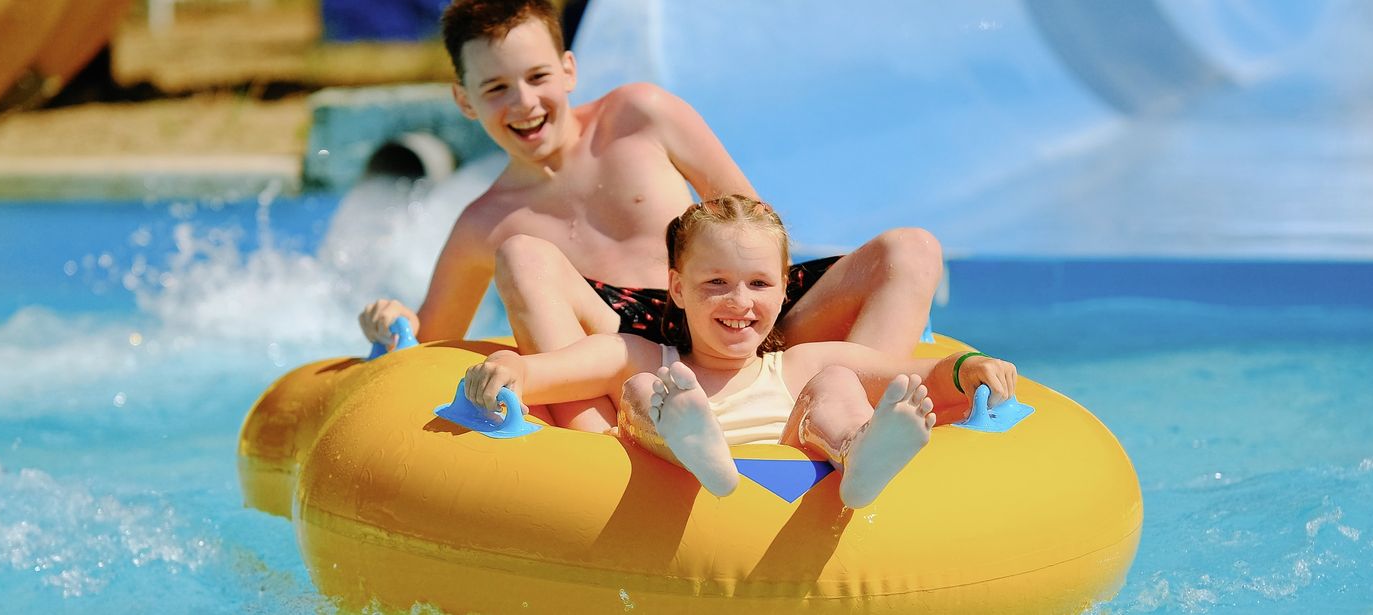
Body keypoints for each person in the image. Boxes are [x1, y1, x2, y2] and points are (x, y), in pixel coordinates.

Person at [357, 0, 944, 433]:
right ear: (464, 101)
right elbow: (435, 343)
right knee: (521, 251)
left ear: (568, 70)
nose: (525, 103)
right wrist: (393, 324)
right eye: (495, 88)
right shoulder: (484, 223)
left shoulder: (640, 115)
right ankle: (602, 447)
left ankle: (860, 428)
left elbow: (755, 223)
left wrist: (783, 300)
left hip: (736, 305)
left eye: (537, 77)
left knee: (910, 249)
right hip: (632, 352)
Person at [458, 196, 1017, 508]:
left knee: (842, 384)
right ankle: (690, 443)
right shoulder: (642, 357)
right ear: (677, 289)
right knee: (645, 393)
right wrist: (508, 368)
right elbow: (545, 373)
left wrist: (969, 369)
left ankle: (858, 452)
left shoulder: (802, 362)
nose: (739, 302)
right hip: (683, 476)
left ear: (784, 289)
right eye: (715, 283)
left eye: (758, 285)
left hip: (789, 477)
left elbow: (920, 376)